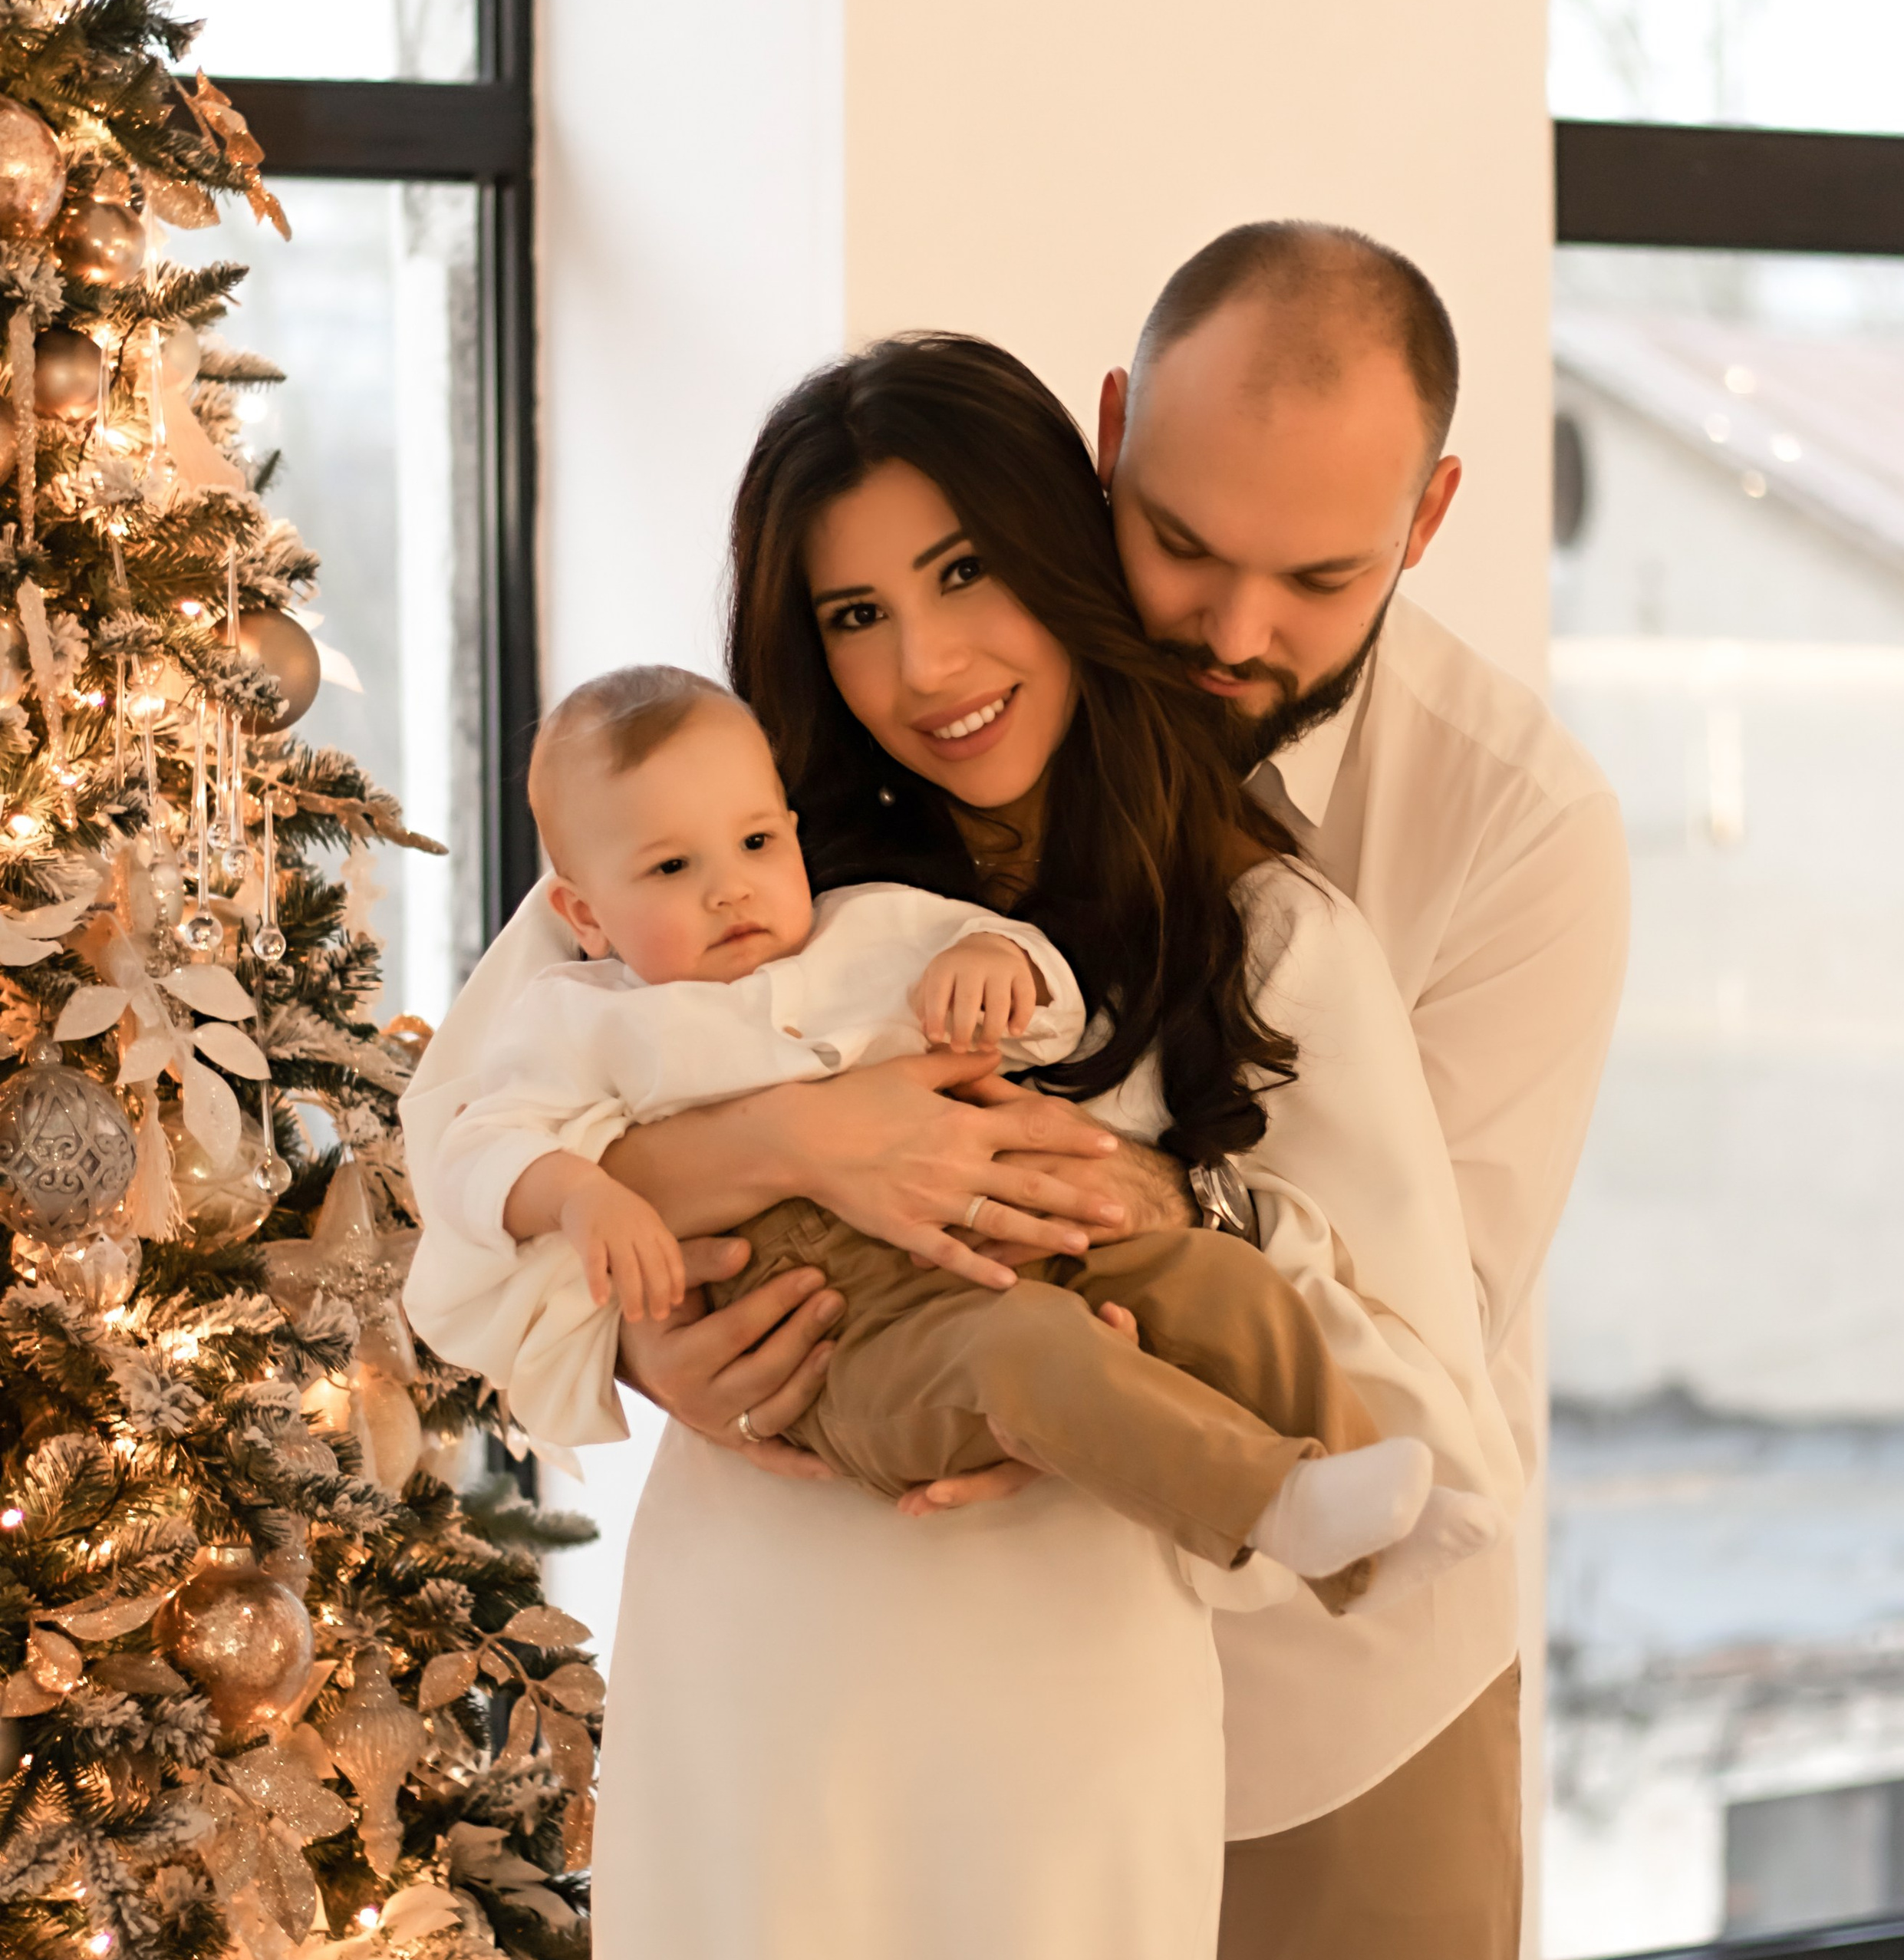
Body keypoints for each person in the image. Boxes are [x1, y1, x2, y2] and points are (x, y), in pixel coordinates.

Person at [402, 332, 1513, 1960]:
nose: (923, 662)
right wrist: (747, 1210)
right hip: (761, 1663)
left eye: (967, 572)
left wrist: (1118, 1247)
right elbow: (463, 1236)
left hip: (1063, 1691)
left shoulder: (1261, 941)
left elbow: (1416, 1404)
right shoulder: (677, 862)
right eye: (853, 611)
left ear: (1068, 554)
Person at [1089, 222, 1629, 1960]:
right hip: (1015, 1624)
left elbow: (1420, 1311)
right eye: (1184, 548)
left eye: (1317, 581)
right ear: (1110, 439)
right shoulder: (962, 680)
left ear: (1432, 514)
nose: (1236, 631)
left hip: (1367, 1663)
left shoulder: (1523, 830)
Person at [410, 657, 1469, 1589]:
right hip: (852, 1340)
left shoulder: (865, 928)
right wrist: (582, 1191)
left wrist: (995, 966)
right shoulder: (582, 1018)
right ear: (585, 914)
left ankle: (1361, 1503)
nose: (733, 890)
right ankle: (1269, 1507)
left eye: (754, 841)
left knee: (1219, 1284)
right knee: (1028, 1354)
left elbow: (1046, 998)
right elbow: (476, 1154)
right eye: (673, 869)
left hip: (1018, 1256)